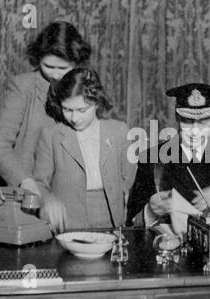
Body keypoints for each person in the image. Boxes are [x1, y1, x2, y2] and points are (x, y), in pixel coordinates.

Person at [126, 83, 210, 230]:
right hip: (170, 247)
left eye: (203, 121)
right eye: (187, 121)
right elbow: (131, 224)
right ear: (176, 117)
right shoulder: (152, 159)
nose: (194, 130)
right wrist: (150, 211)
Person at [0, 21, 91, 197]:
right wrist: (24, 180)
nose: (56, 75)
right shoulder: (22, 87)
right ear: (38, 59)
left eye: (63, 68)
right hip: (19, 193)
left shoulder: (86, 86)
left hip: (65, 197)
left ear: (77, 62)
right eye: (49, 67)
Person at [33, 68, 136, 233]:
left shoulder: (120, 131)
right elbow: (39, 183)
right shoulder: (51, 135)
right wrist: (48, 200)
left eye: (82, 110)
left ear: (96, 102)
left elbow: (129, 179)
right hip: (67, 224)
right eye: (67, 109)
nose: (74, 118)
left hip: (111, 221)